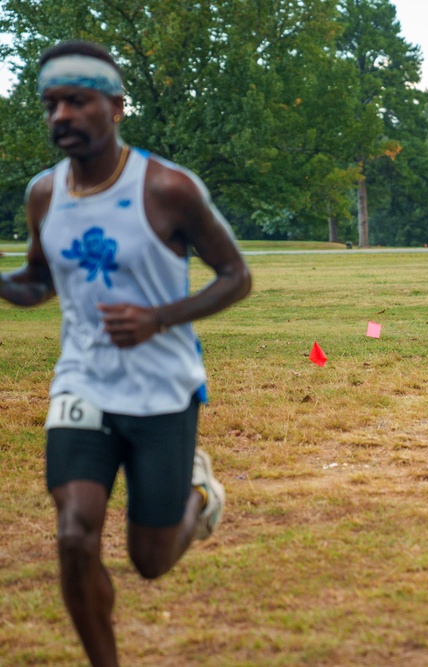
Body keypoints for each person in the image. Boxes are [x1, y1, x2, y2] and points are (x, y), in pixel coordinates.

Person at [0, 40, 251, 667]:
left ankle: (200, 494)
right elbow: (39, 282)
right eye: (51, 103)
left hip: (162, 386)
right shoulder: (43, 195)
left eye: (77, 101)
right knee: (74, 533)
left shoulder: (167, 188)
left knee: (150, 560)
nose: (61, 115)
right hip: (82, 382)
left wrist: (159, 317)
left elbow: (235, 276)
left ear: (115, 106)